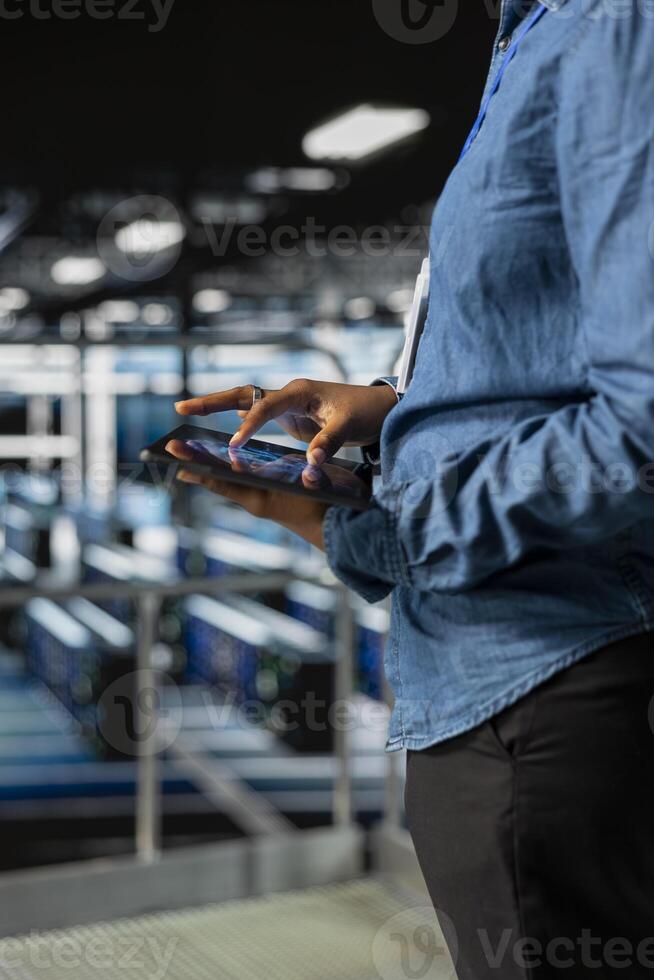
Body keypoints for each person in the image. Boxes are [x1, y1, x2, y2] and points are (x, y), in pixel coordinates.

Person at [172, 2, 654, 976]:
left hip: (543, 685)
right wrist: (395, 408)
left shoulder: (609, 24)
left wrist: (391, 528)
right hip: (488, 684)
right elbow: (541, 359)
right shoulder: (532, 37)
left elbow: (641, 426)